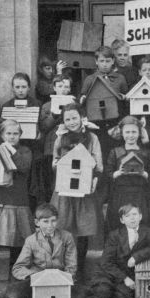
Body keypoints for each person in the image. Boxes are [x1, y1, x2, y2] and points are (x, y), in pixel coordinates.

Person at [0, 203, 87, 298]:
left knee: (80, 295)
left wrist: (64, 278)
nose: (50, 225)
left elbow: (71, 265)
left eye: (53, 221)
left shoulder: (67, 237)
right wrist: (33, 275)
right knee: (16, 295)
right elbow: (18, 268)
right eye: (45, 221)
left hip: (59, 279)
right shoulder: (31, 240)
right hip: (36, 280)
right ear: (37, 223)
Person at [0, 120, 35, 290]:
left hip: (18, 200)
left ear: (20, 135)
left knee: (17, 240)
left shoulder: (25, 151)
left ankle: (13, 274)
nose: (12, 137)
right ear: (2, 135)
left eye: (15, 134)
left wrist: (11, 150)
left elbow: (24, 167)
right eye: (8, 134)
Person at [50, 103, 103, 281]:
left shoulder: (92, 138)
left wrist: (95, 177)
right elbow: (55, 160)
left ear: (82, 117)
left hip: (84, 191)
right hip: (65, 191)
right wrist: (57, 164)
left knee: (83, 230)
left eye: (74, 118)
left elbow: (98, 163)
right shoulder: (60, 138)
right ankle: (64, 267)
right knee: (64, 228)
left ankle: (79, 269)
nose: (72, 122)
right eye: (68, 119)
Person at [91, 204, 150, 298]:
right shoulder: (115, 235)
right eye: (127, 216)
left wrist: (136, 257)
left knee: (124, 297)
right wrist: (125, 278)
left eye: (134, 214)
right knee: (102, 291)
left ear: (140, 217)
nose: (132, 218)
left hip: (129, 272)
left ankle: (119, 289)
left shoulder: (146, 232)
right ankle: (108, 286)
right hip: (111, 273)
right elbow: (106, 263)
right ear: (122, 220)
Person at [79, 45, 128, 172]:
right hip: (96, 124)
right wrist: (82, 99)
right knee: (98, 154)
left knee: (114, 155)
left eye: (107, 61)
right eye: (101, 61)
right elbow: (84, 100)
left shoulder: (120, 79)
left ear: (113, 61)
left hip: (114, 123)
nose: (105, 64)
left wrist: (124, 97)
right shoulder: (90, 79)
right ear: (96, 62)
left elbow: (125, 100)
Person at [1, 73, 46, 209]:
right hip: (13, 150)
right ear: (13, 88)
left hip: (33, 148)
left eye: (24, 87)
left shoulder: (37, 104)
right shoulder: (6, 106)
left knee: (34, 183)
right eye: (17, 87)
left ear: (29, 88)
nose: (20, 90)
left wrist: (40, 134)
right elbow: (3, 130)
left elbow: (43, 127)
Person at [105, 116, 150, 233]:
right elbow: (107, 172)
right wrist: (116, 174)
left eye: (134, 132)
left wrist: (145, 174)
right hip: (120, 195)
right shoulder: (115, 152)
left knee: (142, 225)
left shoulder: (146, 153)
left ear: (139, 133)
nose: (131, 135)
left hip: (140, 195)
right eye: (127, 132)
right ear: (122, 133)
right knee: (119, 224)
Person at [39, 75, 74, 195]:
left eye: (66, 86)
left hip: (69, 146)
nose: (63, 89)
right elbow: (43, 127)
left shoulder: (73, 104)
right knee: (52, 179)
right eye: (60, 86)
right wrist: (53, 116)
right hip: (51, 148)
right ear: (54, 87)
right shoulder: (46, 106)